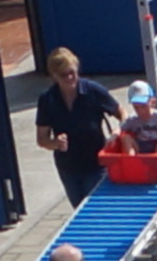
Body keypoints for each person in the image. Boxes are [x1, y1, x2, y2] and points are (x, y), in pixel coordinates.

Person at [33, 46, 115, 206]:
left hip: (97, 164)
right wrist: (56, 143)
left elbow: (120, 111)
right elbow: (42, 139)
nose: (70, 77)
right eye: (64, 75)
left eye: (73, 72)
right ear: (54, 76)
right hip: (68, 168)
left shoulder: (92, 91)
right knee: (78, 209)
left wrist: (119, 131)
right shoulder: (48, 99)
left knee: (93, 209)